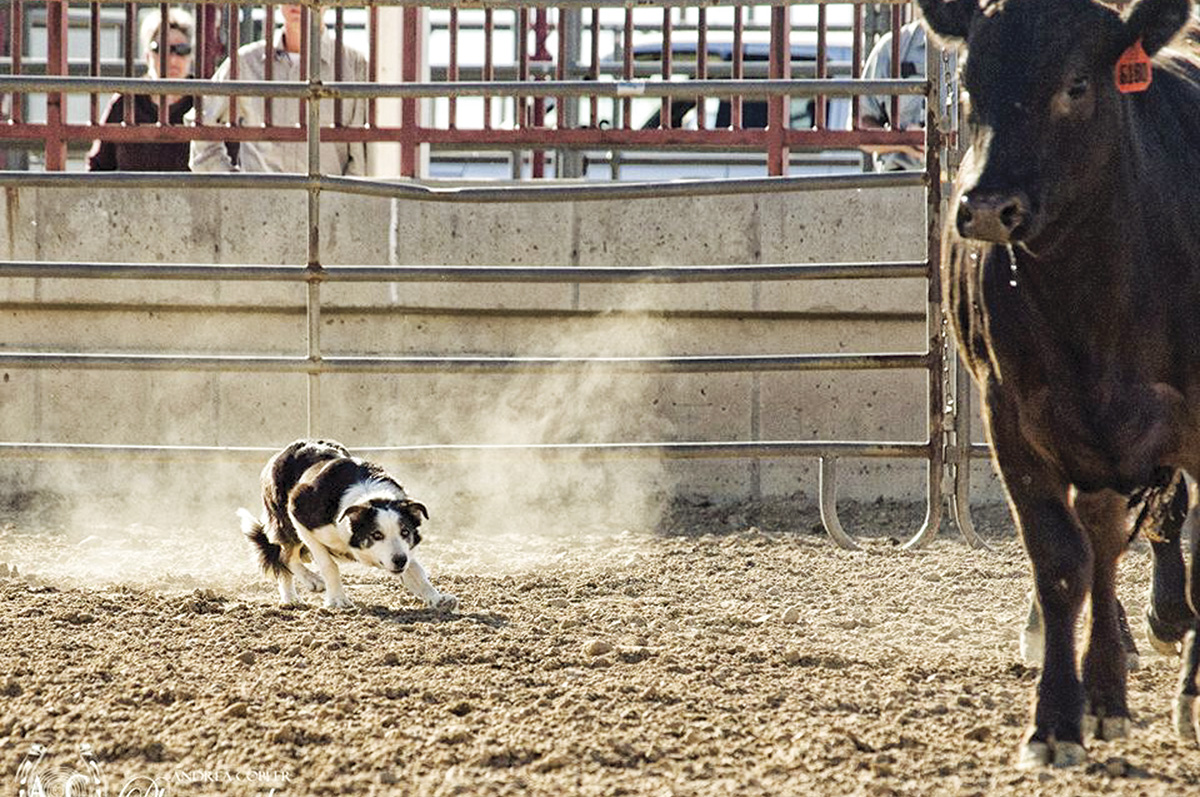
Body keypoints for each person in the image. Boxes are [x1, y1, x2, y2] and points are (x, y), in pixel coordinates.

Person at [188, 4, 368, 175]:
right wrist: (234, 190)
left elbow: (362, 157)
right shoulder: (246, 63)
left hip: (329, 204)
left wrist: (345, 201)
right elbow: (201, 123)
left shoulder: (354, 66)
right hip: (260, 204)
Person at [86, 8, 195, 171]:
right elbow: (99, 164)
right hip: (131, 196)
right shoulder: (126, 101)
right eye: (161, 49)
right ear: (147, 55)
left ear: (191, 56)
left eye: (182, 50)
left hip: (190, 197)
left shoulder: (203, 102)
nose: (172, 59)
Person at [860, 21, 926, 172]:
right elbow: (859, 124)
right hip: (901, 178)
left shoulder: (984, 45)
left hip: (967, 180)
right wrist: (904, 141)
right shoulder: (893, 47)